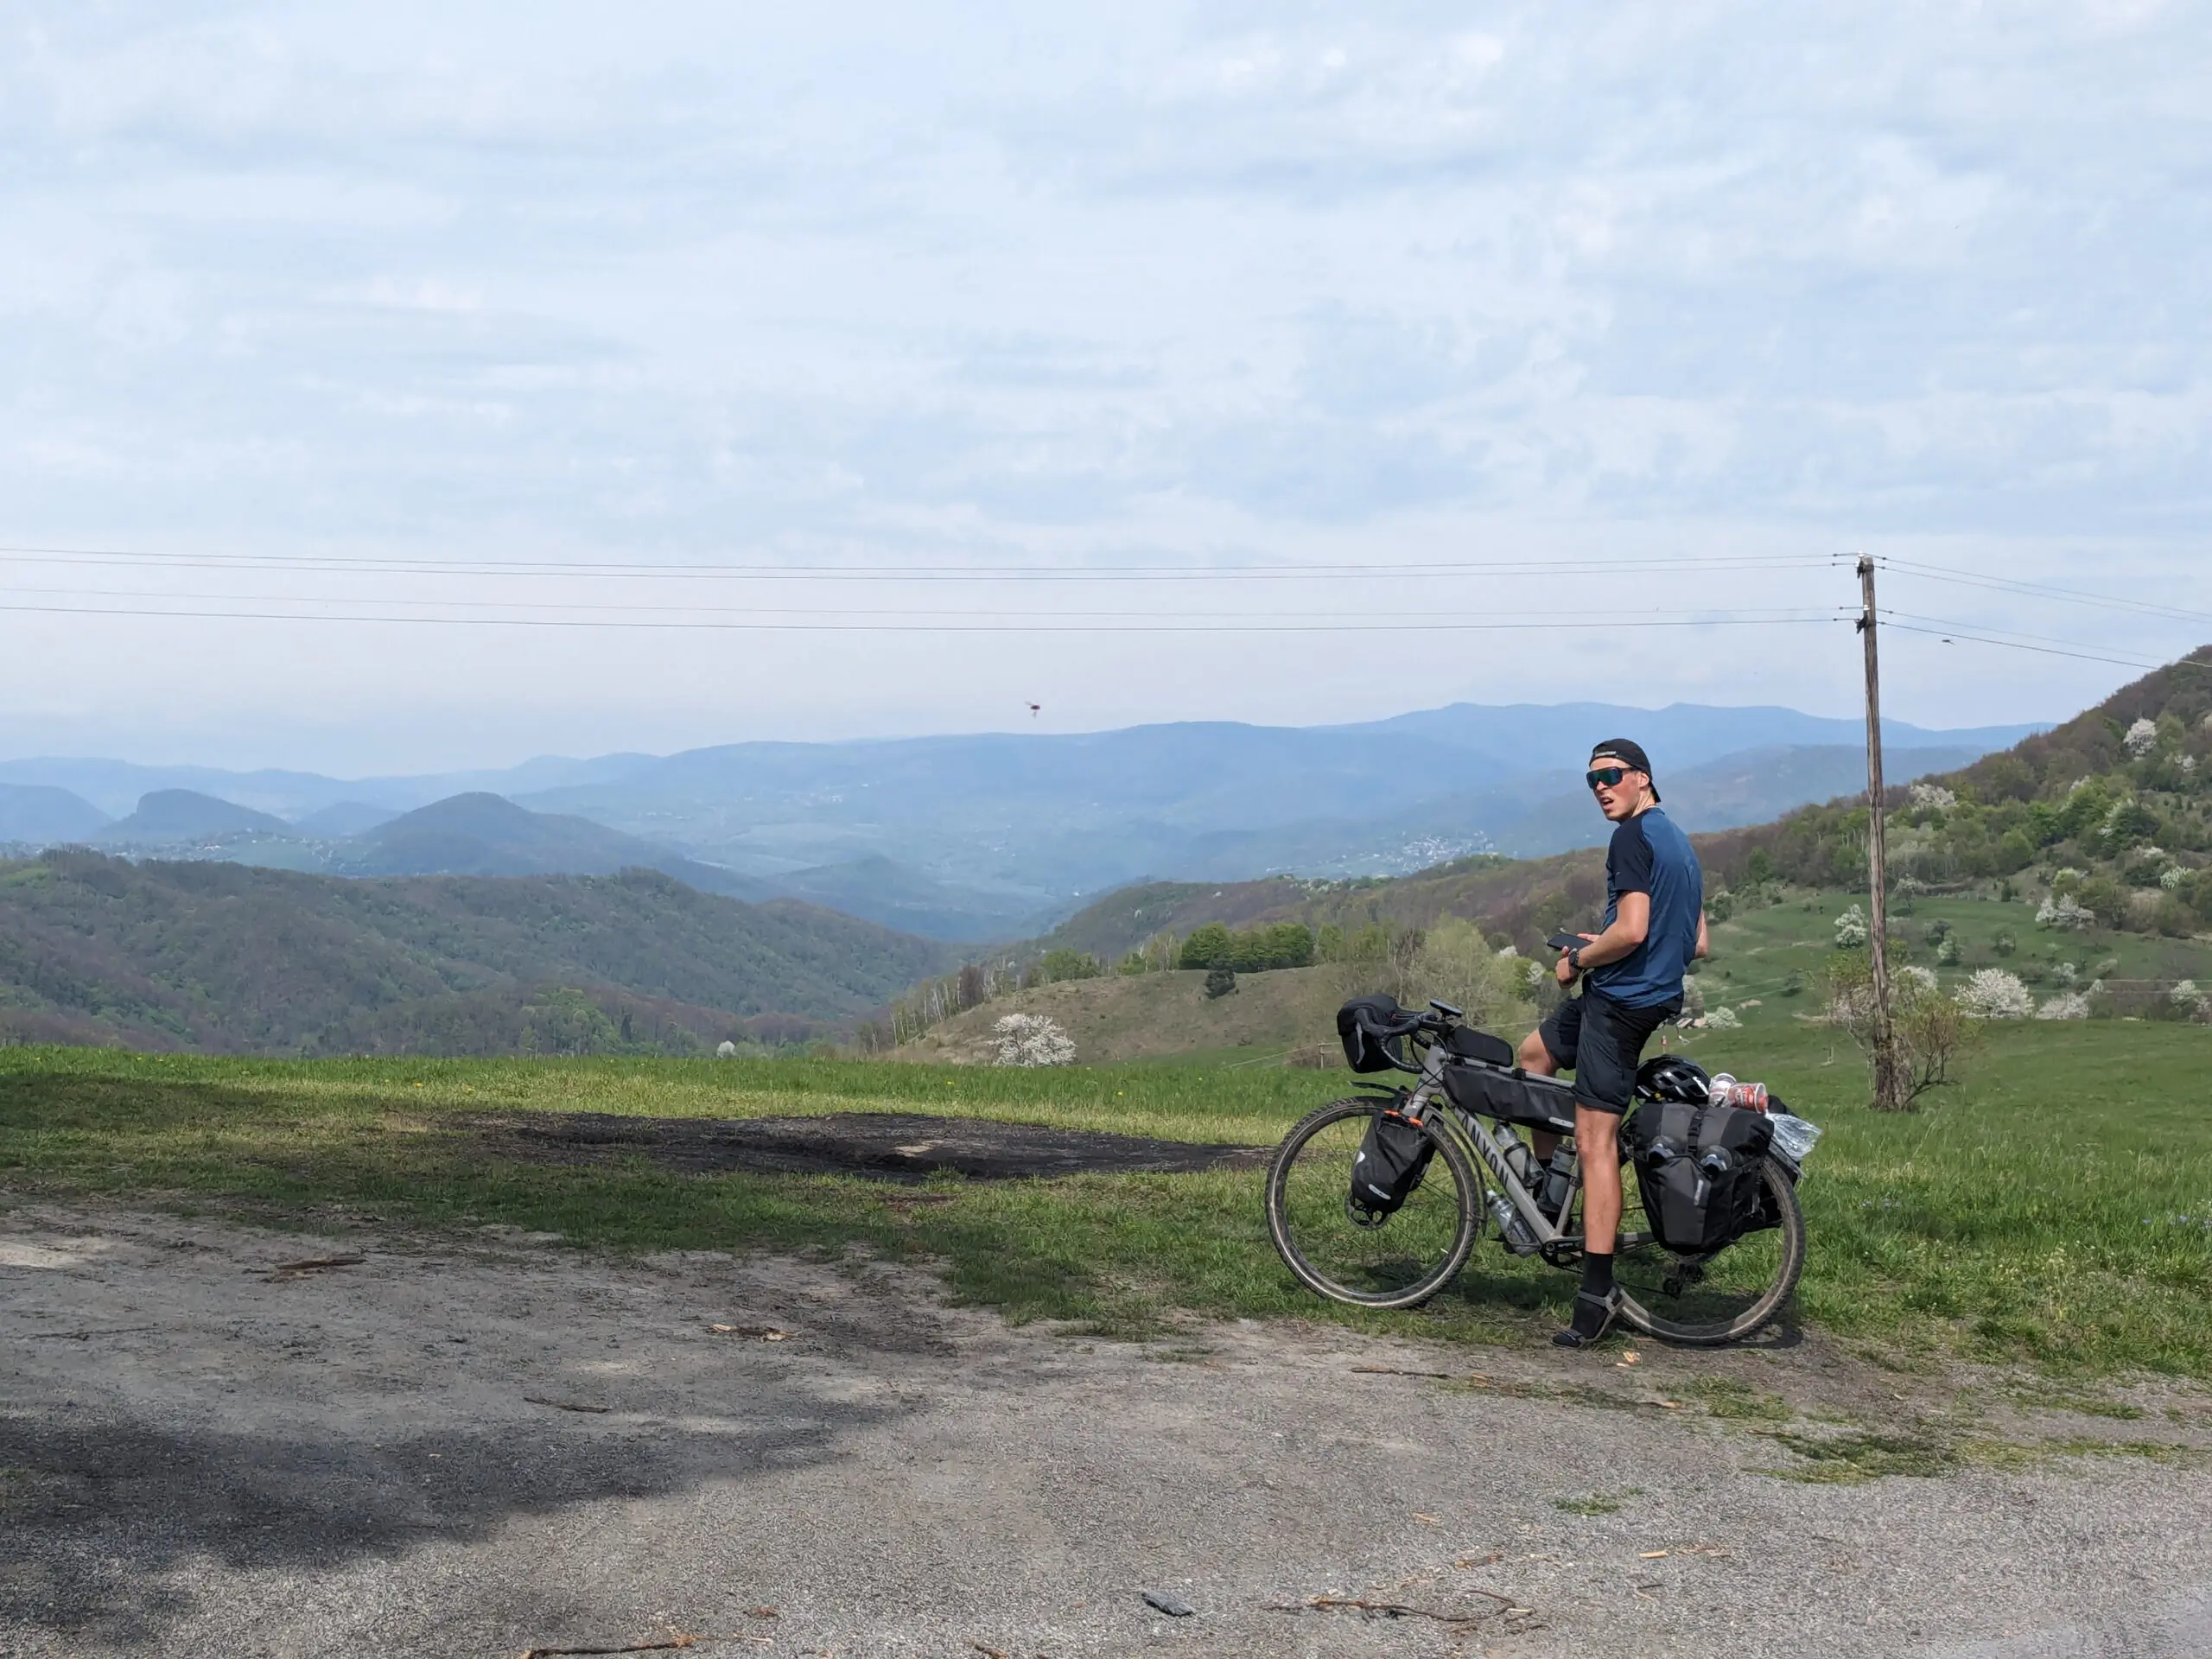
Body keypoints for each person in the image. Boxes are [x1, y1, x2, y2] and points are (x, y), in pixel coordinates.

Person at [1517, 738, 1708, 1349]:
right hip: (1638, 994)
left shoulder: (1630, 837)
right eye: (1593, 779)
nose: (1602, 787)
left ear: (1643, 779)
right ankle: (1553, 1190)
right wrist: (1601, 942)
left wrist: (1579, 957)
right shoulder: (1677, 841)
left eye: (1612, 775)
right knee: (1533, 1055)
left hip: (1619, 1005)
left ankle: (1596, 1294)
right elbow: (1696, 941)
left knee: (1596, 1140)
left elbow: (1631, 930)